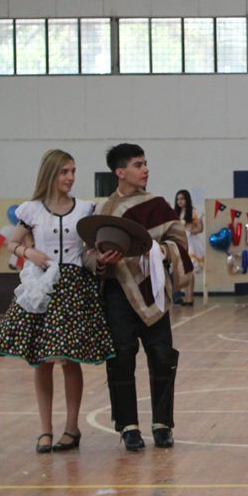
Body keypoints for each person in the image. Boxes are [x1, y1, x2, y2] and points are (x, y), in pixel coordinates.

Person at [0, 150, 115, 453]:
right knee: (41, 361)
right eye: (64, 172)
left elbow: (89, 250)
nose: (70, 177)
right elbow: (11, 242)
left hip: (73, 288)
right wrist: (27, 252)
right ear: (50, 174)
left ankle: (72, 427)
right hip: (43, 287)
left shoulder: (85, 208)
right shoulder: (31, 210)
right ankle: (45, 429)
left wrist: (97, 258)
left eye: (73, 171)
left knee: (70, 360)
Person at [87, 144, 193, 452]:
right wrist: (99, 261)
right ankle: (128, 426)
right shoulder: (103, 210)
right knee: (121, 357)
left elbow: (179, 241)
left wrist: (163, 251)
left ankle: (162, 424)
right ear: (120, 172)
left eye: (146, 163)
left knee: (162, 356)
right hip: (116, 292)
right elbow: (88, 252)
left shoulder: (157, 205)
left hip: (152, 290)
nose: (145, 169)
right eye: (138, 164)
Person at [173, 189, 204, 306]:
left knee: (189, 270)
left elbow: (200, 228)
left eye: (182, 199)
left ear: (187, 199)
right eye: (178, 199)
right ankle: (186, 297)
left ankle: (190, 297)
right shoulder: (175, 214)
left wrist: (190, 229)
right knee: (183, 271)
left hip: (190, 243)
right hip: (180, 243)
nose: (180, 201)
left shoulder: (194, 212)